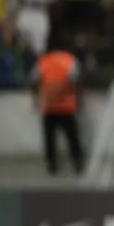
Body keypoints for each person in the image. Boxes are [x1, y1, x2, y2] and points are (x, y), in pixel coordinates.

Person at [31, 33, 84, 175]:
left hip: (50, 105)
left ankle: (52, 164)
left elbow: (34, 80)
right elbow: (76, 80)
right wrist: (78, 98)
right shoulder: (70, 60)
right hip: (67, 105)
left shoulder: (43, 61)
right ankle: (77, 161)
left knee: (50, 137)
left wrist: (35, 97)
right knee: (72, 136)